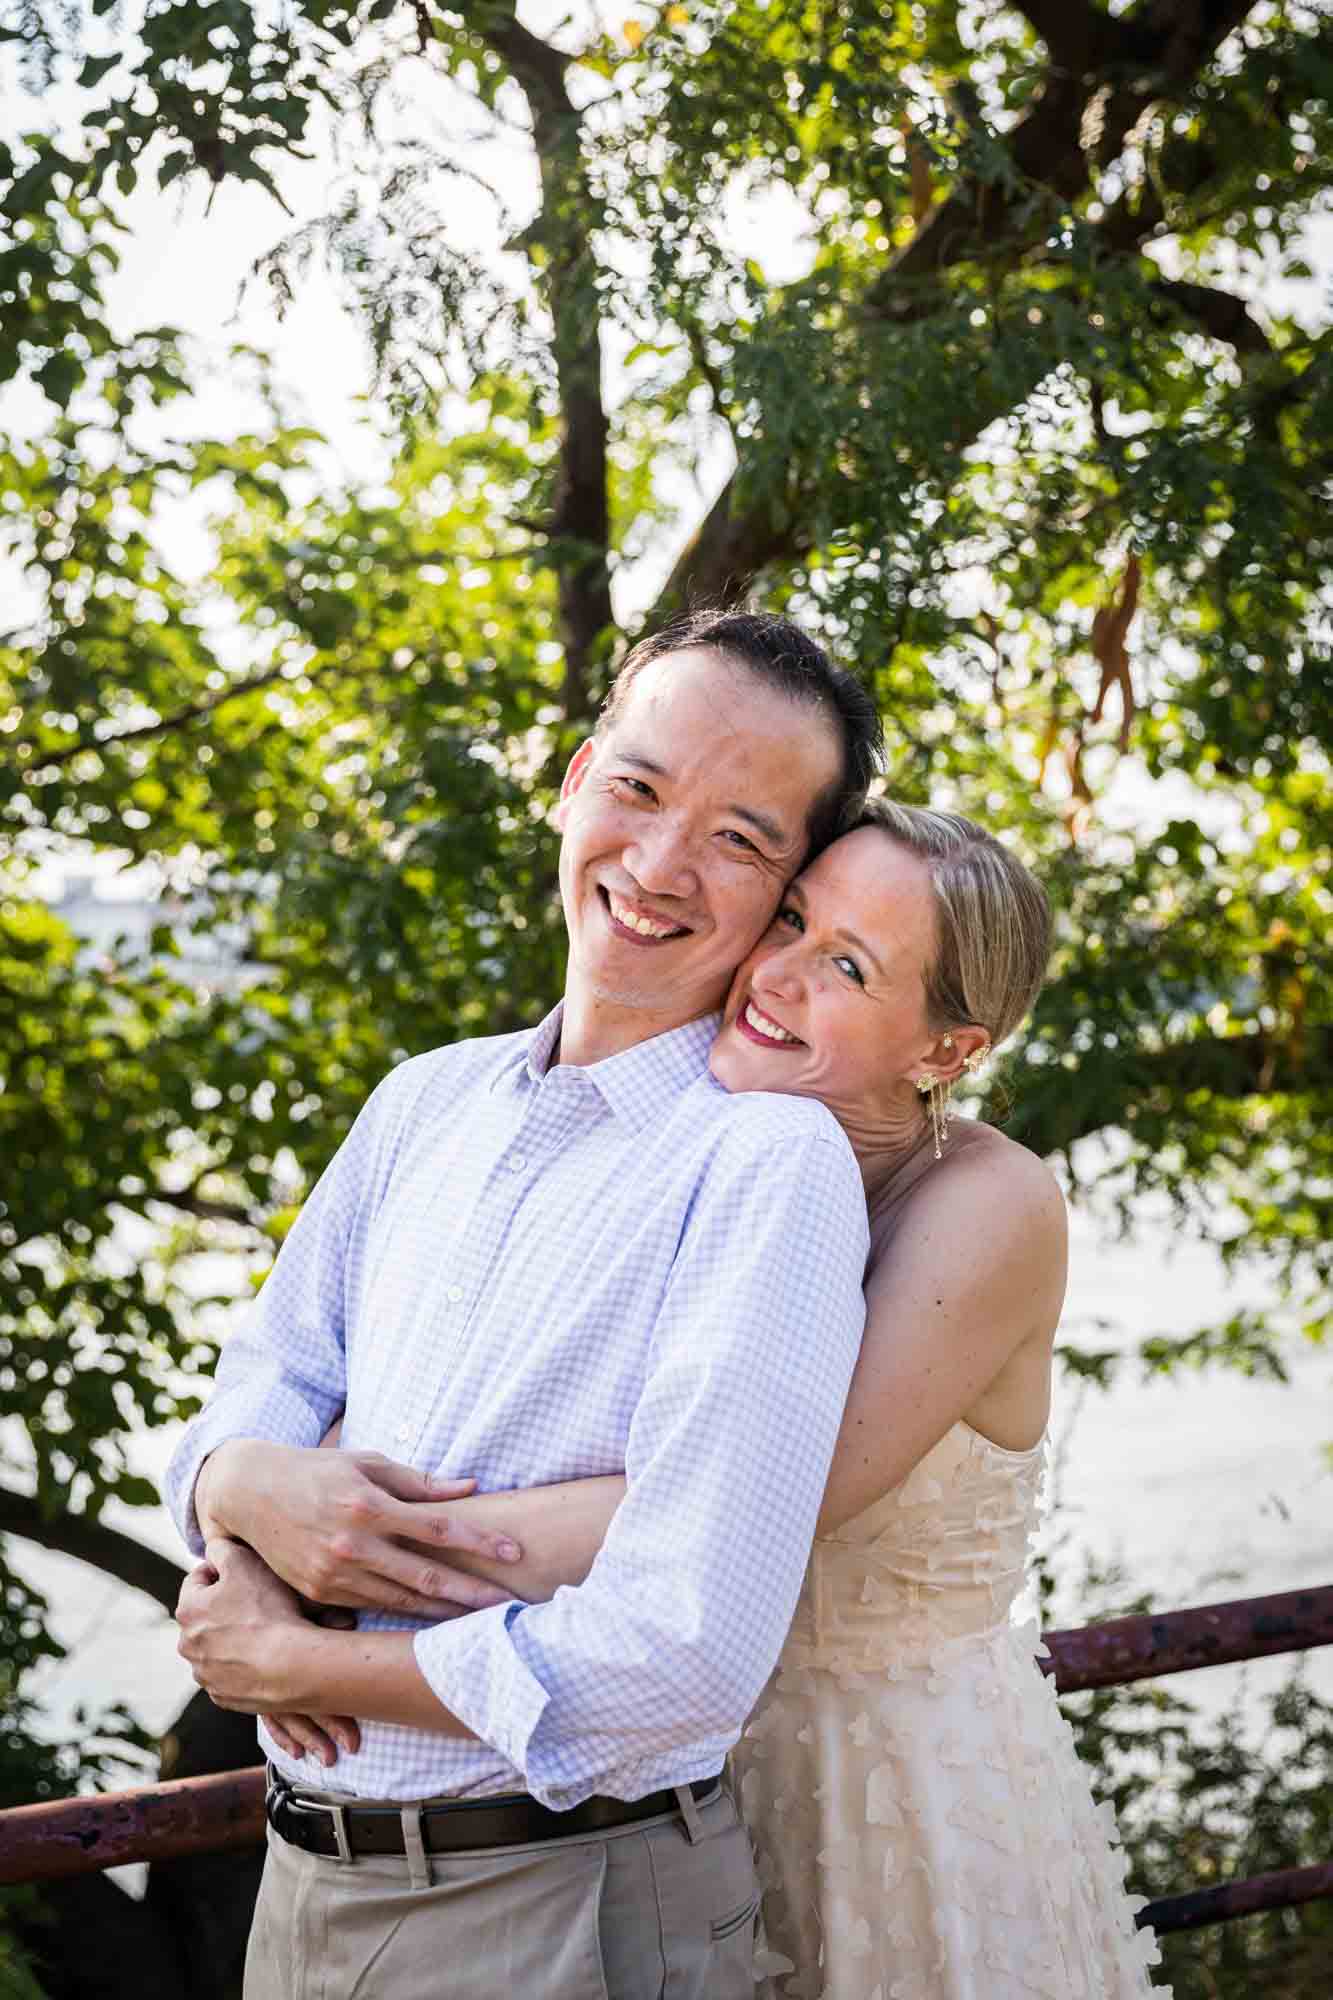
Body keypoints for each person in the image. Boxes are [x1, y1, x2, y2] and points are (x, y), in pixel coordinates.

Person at [237, 802, 1167, 1998]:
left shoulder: (987, 1207)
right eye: (791, 917)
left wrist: (345, 1549)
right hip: (657, 1781)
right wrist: (260, 1493)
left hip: (884, 1787)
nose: (773, 973)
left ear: (944, 1051)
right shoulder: (709, 1146)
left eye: (845, 965)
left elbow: (746, 1514)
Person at [167, 608, 889, 2000]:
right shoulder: (422, 1098)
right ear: (572, 780)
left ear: (786, 892)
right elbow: (259, 1372)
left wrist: (291, 1659)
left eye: (740, 839)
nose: (662, 863)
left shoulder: (762, 1160)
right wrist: (239, 1491)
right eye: (637, 787)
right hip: (304, 1893)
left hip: (558, 1900)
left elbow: (687, 1653)